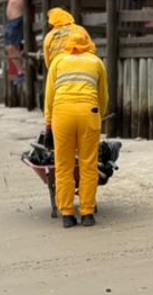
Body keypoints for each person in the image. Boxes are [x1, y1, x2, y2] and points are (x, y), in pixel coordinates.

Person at [44, 25, 109, 228]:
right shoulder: (96, 62)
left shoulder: (58, 61)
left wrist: (48, 123)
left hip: (62, 114)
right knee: (88, 164)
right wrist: (99, 116)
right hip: (89, 113)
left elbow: (49, 96)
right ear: (88, 43)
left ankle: (67, 214)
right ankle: (87, 213)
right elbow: (103, 96)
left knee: (64, 166)